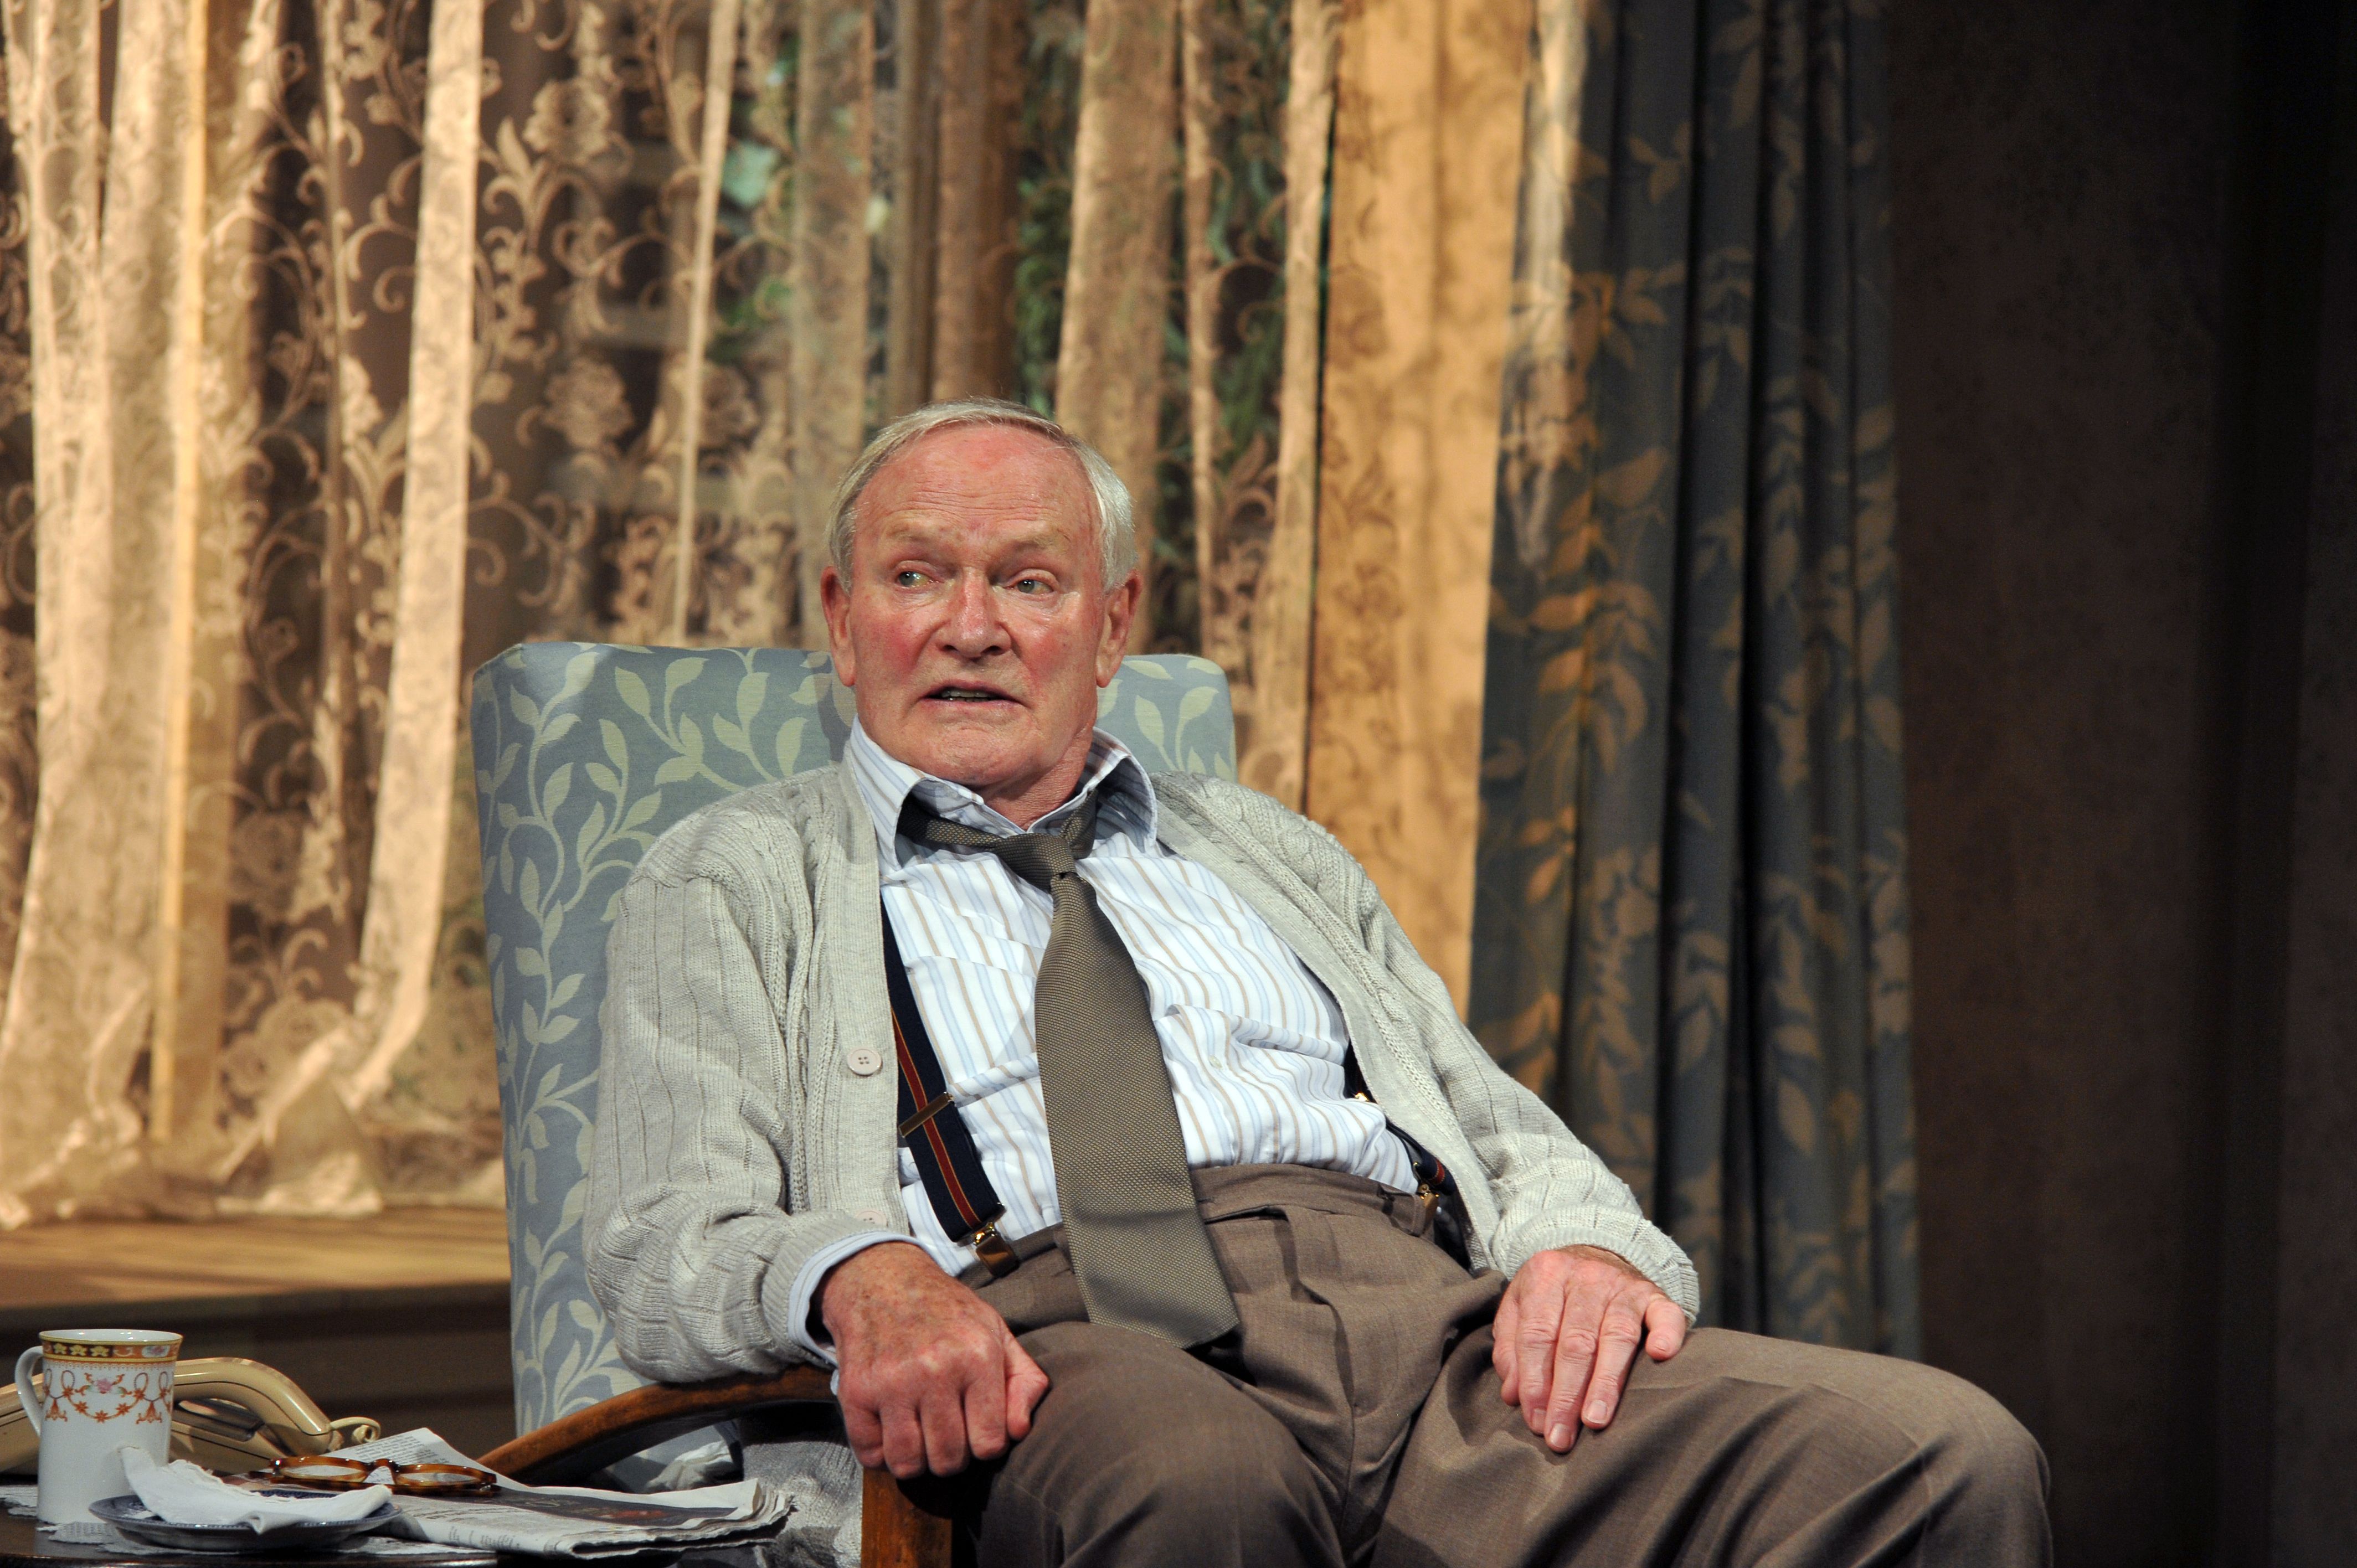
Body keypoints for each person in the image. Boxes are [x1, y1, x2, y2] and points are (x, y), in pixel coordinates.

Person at [586, 399, 2050, 1567]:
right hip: (1063, 1354)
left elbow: (1495, 1124)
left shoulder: (1264, 848)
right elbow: (661, 1242)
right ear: (844, 620)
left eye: (1029, 582)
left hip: (1429, 1340)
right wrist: (856, 1275)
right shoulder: (734, 873)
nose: (972, 625)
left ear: (1111, 627)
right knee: (1199, 1486)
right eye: (919, 577)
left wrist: (1586, 1251)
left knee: (1937, 1460)